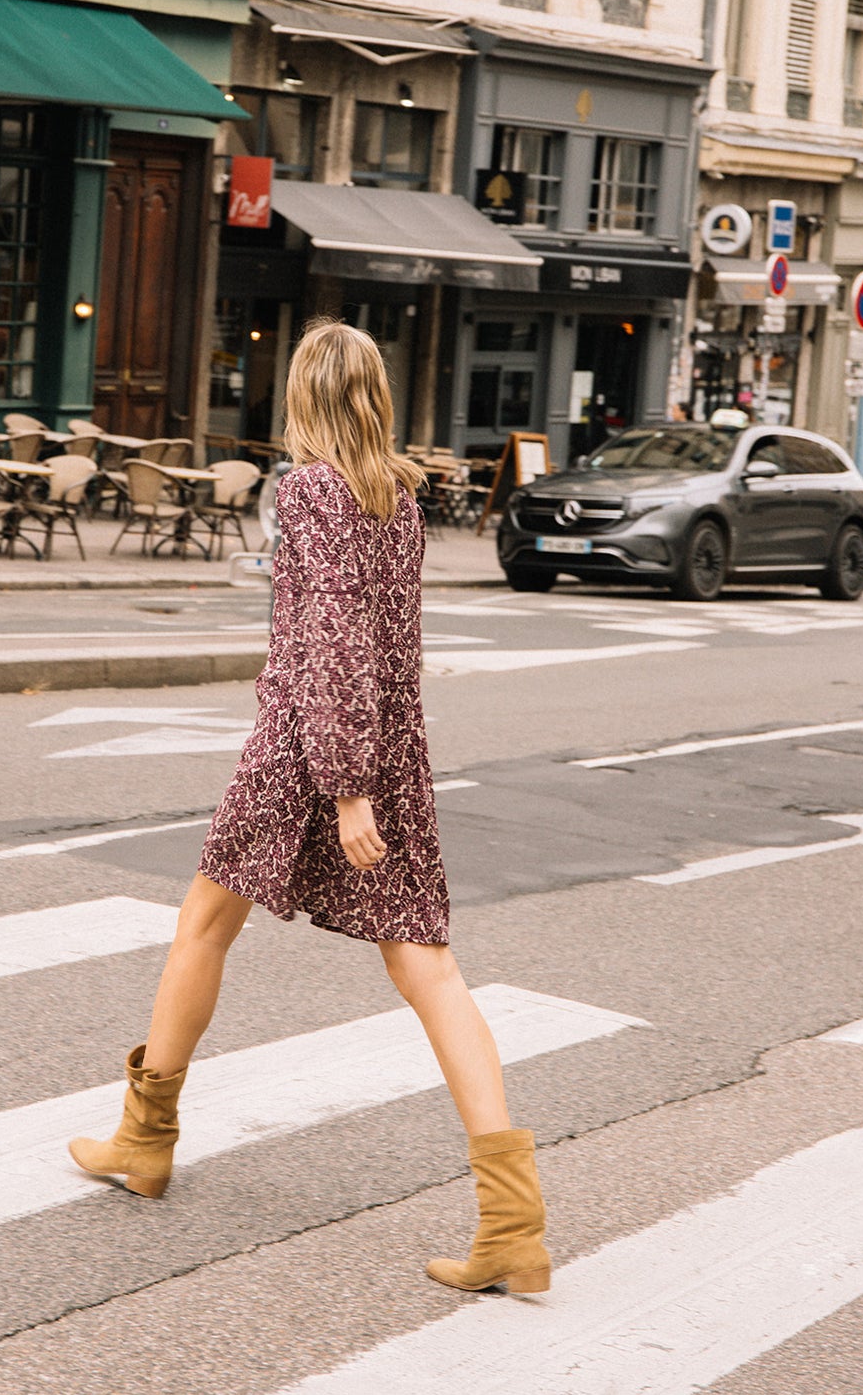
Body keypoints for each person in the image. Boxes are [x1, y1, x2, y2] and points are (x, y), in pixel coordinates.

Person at [67, 319, 551, 1297]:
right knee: (429, 967)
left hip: (306, 745)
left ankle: (143, 1136)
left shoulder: (311, 490)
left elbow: (329, 639)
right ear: (371, 394)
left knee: (201, 928)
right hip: (392, 741)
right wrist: (376, 768)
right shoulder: (398, 499)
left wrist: (342, 784)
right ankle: (513, 1222)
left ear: (303, 396)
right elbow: (389, 648)